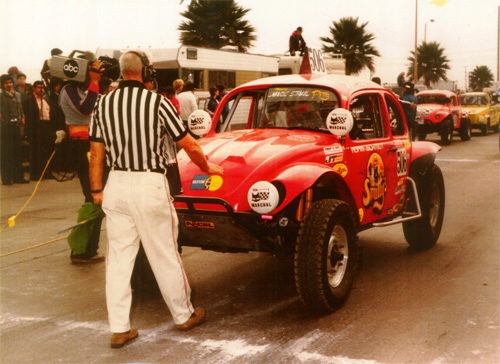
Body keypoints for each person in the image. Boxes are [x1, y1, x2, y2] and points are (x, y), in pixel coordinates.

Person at [88, 50, 224, 348]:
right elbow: (187, 142)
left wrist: (97, 191)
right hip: (148, 183)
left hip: (116, 185)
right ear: (145, 72)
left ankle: (120, 328)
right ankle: (183, 314)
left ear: (122, 72)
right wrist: (206, 166)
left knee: (119, 260)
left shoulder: (103, 104)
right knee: (164, 252)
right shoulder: (157, 102)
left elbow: (96, 153)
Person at [59, 53, 106, 263]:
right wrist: (95, 82)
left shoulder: (79, 90)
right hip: (81, 146)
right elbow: (85, 108)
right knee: (93, 197)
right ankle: (80, 250)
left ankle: (87, 249)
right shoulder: (68, 89)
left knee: (97, 198)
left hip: (88, 145)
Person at [1, 74, 29, 185]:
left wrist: (22, 117)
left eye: (10, 82)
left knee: (18, 152)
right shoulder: (1, 96)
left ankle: (18, 177)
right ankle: (7, 179)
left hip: (16, 126)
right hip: (6, 126)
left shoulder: (17, 95)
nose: (9, 85)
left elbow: (20, 108)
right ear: (2, 84)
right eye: (6, 83)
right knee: (7, 153)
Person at [25, 81, 53, 180]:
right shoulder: (30, 100)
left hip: (46, 125)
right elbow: (29, 117)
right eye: (39, 87)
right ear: (34, 88)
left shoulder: (45, 99)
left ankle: (45, 172)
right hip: (36, 127)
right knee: (35, 151)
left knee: (45, 150)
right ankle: (35, 174)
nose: (41, 90)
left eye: (42, 88)